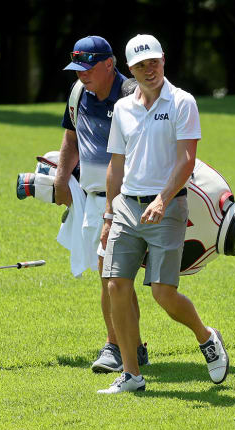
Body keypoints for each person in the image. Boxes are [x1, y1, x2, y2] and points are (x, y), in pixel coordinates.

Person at [98, 34, 228, 394]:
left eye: (153, 62)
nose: (148, 70)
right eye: (141, 65)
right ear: (130, 70)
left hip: (168, 208)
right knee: (115, 286)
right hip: (127, 207)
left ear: (163, 60)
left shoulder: (183, 102)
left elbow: (187, 159)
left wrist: (162, 199)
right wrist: (109, 215)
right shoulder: (123, 108)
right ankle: (131, 374)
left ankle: (206, 337)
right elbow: (116, 165)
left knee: (163, 293)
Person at [52, 35, 149, 374]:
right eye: (77, 68)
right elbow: (71, 136)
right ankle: (133, 345)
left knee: (110, 274)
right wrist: (63, 178)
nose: (81, 74)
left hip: (127, 200)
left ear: (110, 64)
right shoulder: (79, 93)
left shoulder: (132, 96)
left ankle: (115, 346)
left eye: (88, 67)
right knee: (115, 277)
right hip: (93, 200)